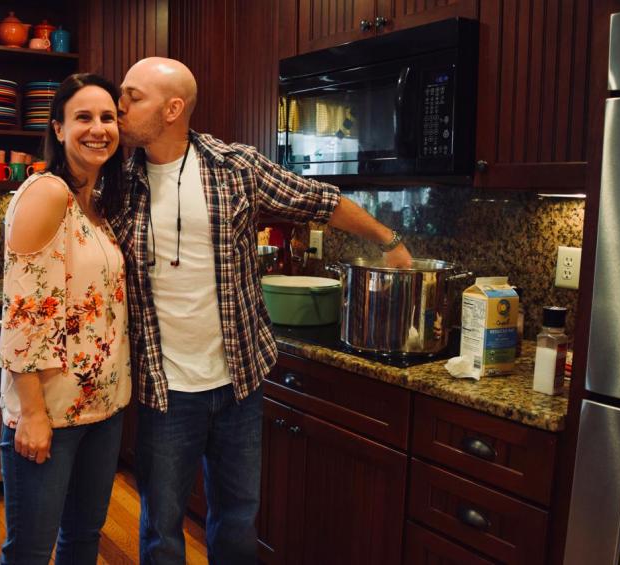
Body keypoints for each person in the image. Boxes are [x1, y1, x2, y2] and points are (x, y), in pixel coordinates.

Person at [111, 57, 413, 564]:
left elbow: (320, 201)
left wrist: (389, 240)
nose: (119, 105)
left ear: (173, 109)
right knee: (161, 527)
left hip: (239, 383)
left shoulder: (236, 168)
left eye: (132, 96)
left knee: (237, 519)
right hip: (164, 390)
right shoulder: (117, 182)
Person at [0, 73, 131, 565]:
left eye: (107, 117)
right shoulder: (47, 192)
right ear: (57, 128)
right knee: (30, 552)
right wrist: (32, 414)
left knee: (82, 538)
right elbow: (24, 310)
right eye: (83, 117)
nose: (98, 129)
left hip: (102, 409)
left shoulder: (95, 205)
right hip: (50, 412)